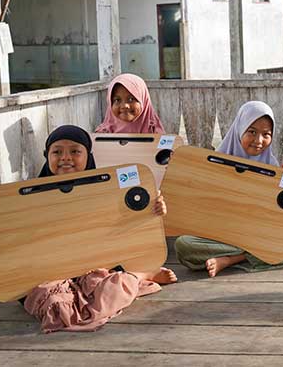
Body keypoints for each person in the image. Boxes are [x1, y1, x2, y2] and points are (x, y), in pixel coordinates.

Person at [23, 125, 175, 333]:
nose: (65, 157)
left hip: (94, 268)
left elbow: (125, 225)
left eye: (75, 151)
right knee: (52, 303)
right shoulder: (29, 197)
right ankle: (137, 277)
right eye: (57, 151)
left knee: (113, 287)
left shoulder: (104, 190)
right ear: (46, 156)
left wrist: (154, 211)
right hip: (52, 271)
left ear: (88, 155)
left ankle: (141, 276)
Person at [174, 101, 283, 277]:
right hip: (222, 234)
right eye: (252, 132)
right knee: (184, 245)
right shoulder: (217, 162)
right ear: (240, 130)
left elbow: (282, 214)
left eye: (266, 134)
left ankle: (233, 259)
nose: (259, 141)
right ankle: (256, 255)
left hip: (256, 232)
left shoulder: (273, 166)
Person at [95, 73, 165, 134]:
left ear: (143, 100)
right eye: (117, 100)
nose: (125, 106)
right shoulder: (102, 135)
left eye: (131, 99)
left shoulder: (156, 135)